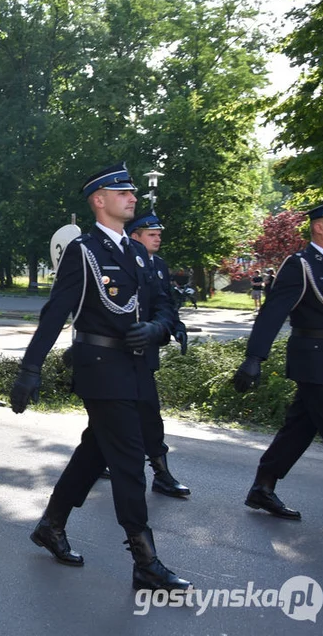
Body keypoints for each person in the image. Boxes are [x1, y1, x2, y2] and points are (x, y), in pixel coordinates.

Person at [8, 162, 190, 591]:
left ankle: (51, 525)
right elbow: (56, 313)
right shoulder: (85, 251)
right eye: (122, 192)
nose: (132, 198)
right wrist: (29, 369)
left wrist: (157, 328)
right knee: (129, 461)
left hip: (138, 368)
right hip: (102, 371)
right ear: (99, 201)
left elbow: (165, 306)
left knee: (97, 450)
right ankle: (145, 561)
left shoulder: (137, 253)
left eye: (132, 192)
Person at [233, 202, 323, 520]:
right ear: (318, 226)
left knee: (300, 427)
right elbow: (273, 313)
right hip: (315, 362)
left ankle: (263, 487)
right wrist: (254, 357)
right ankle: (262, 487)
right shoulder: (300, 264)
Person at [125, 211, 191, 498]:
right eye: (151, 234)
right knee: (119, 414)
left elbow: (165, 303)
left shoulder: (160, 266)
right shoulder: (122, 260)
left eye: (159, 234)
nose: (158, 238)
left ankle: (160, 475)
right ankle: (159, 473)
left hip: (146, 352)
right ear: (135, 236)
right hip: (120, 352)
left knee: (148, 413)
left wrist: (173, 326)